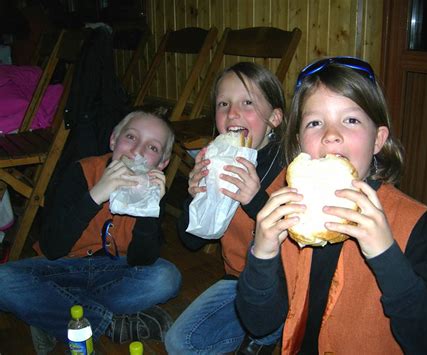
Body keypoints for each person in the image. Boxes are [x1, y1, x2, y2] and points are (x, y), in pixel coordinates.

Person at [235, 57, 427, 354]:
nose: (331, 134)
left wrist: (387, 256)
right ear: (299, 144)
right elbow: (259, 323)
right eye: (315, 122)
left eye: (351, 120)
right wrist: (263, 254)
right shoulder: (289, 213)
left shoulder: (415, 224)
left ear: (378, 140)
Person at [0, 108, 182, 351]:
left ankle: (56, 312)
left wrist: (149, 210)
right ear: (113, 140)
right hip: (61, 266)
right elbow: (52, 248)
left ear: (162, 164)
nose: (137, 150)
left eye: (152, 148)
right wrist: (96, 194)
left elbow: (143, 259)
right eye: (131, 137)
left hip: (113, 269)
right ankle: (109, 323)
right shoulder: (80, 172)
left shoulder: (152, 190)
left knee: (166, 276)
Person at [165, 62, 287, 354]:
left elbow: (299, 251)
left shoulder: (292, 169)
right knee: (178, 343)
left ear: (274, 118)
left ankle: (267, 335)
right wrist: (195, 197)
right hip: (237, 281)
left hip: (284, 288)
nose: (232, 113)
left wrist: (256, 199)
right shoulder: (219, 157)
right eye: (223, 104)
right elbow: (191, 240)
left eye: (247, 102)